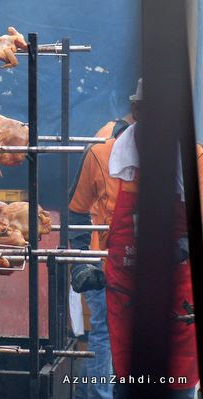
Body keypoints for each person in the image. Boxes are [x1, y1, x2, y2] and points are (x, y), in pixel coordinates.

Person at [106, 79, 199, 398]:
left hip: (178, 300)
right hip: (126, 296)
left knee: (176, 388)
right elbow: (82, 213)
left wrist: (185, 245)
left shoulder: (196, 162)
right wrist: (83, 259)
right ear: (136, 111)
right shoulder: (108, 158)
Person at [68, 108, 133, 399]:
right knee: (107, 327)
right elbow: (78, 209)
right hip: (104, 256)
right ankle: (99, 394)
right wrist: (83, 258)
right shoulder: (103, 147)